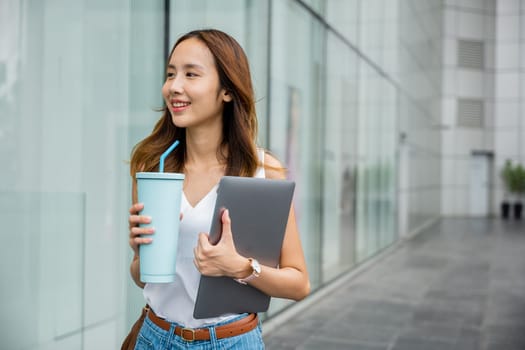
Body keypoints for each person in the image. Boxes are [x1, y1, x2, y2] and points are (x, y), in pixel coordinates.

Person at [127, 29, 310, 349]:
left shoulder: (263, 172)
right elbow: (143, 278)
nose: (174, 86)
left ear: (227, 90)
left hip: (231, 341)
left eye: (190, 74)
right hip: (156, 337)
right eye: (170, 74)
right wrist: (142, 253)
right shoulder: (153, 166)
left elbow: (299, 283)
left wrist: (239, 267)